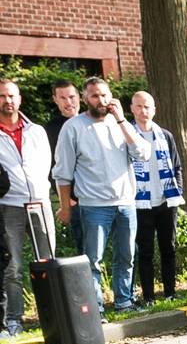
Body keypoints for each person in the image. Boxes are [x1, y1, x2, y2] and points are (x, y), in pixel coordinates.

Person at [52, 76, 151, 316]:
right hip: (94, 206)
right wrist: (65, 206)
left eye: (105, 95)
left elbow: (143, 153)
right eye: (95, 95)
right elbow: (62, 173)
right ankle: (95, 309)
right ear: (86, 98)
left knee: (126, 256)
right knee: (93, 261)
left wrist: (120, 119)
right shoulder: (74, 127)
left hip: (126, 202)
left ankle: (124, 302)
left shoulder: (121, 125)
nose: (101, 100)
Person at [0, 78, 54, 335]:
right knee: (13, 266)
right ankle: (14, 319)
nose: (7, 101)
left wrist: (41, 193)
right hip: (9, 206)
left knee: (47, 261)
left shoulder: (37, 131)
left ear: (20, 99)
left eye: (11, 96)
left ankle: (52, 314)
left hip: (40, 204)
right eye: (2, 96)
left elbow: (46, 165)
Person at [129, 91, 183, 303]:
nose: (144, 111)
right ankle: (149, 296)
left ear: (154, 110)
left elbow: (177, 165)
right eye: (140, 106)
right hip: (140, 202)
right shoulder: (127, 136)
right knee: (145, 252)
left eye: (148, 107)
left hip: (166, 201)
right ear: (132, 109)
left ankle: (170, 292)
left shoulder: (165, 136)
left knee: (168, 248)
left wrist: (177, 189)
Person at [45, 80, 82, 253]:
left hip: (103, 197)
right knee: (86, 250)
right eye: (63, 98)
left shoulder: (93, 121)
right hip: (76, 202)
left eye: (72, 97)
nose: (69, 102)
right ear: (55, 100)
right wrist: (68, 201)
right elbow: (50, 167)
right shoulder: (50, 130)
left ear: (79, 97)